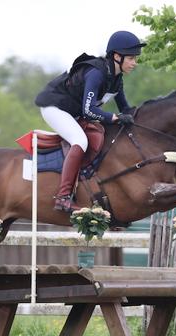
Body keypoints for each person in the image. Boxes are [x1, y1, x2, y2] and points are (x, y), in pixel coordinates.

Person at [35, 30, 145, 212]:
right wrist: (114, 118)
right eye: (132, 58)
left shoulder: (116, 79)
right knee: (80, 141)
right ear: (117, 56)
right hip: (54, 108)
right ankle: (62, 197)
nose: (135, 63)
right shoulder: (97, 73)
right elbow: (89, 110)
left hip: (73, 112)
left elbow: (125, 109)